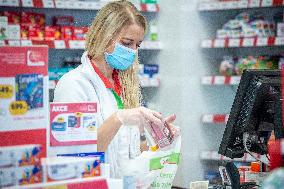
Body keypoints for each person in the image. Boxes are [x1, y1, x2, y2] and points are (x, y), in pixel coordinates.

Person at [54, 0, 177, 178]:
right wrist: (118, 118)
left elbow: (129, 154)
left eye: (138, 45)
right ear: (104, 36)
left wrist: (159, 140)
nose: (133, 51)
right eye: (127, 43)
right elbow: (74, 158)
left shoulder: (124, 86)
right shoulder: (73, 85)